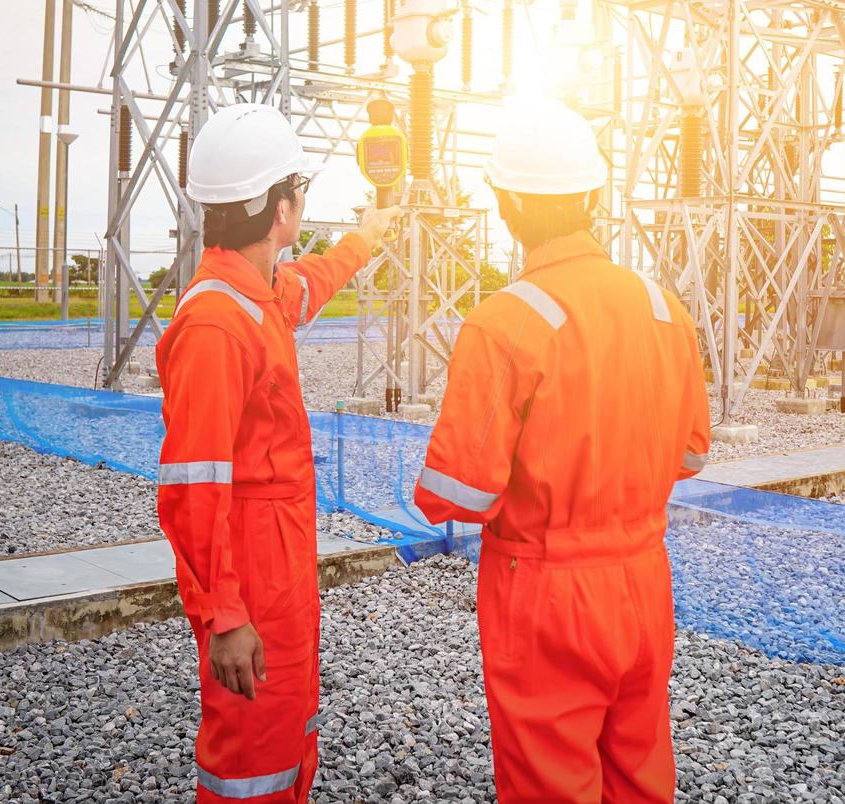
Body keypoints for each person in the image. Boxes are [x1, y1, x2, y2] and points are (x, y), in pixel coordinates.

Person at [415, 97, 712, 802]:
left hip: (545, 590)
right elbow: (691, 455)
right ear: (591, 194)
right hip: (642, 578)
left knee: (550, 780)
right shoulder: (664, 308)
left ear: (508, 201)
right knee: (638, 773)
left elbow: (457, 495)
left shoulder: (503, 322)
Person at [156, 102, 397, 802]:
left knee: (287, 724)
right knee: (250, 749)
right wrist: (223, 616)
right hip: (251, 564)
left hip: (277, 554)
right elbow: (193, 488)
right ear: (284, 210)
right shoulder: (215, 323)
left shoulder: (254, 292)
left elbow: (309, 284)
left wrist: (365, 239)